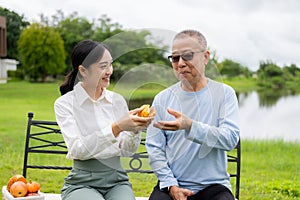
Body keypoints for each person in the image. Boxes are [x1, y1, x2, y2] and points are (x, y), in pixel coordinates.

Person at [146, 29, 240, 200]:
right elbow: (155, 148)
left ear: (205, 56)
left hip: (213, 187)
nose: (180, 63)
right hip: (172, 185)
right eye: (175, 58)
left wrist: (190, 126)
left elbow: (230, 139)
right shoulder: (162, 99)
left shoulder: (224, 94)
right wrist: (171, 185)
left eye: (187, 56)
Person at [54, 40, 153, 200]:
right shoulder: (65, 104)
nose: (109, 71)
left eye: (110, 65)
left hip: (117, 181)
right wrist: (117, 128)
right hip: (82, 182)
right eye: (102, 66)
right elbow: (77, 149)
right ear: (83, 70)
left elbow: (127, 151)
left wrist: (134, 129)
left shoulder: (117, 101)